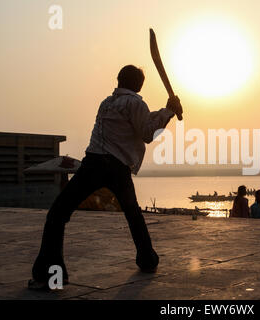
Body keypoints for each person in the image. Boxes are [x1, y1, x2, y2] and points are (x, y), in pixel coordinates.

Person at [28, 65, 183, 290]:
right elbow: (147, 132)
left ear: (118, 80)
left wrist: (167, 111)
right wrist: (168, 112)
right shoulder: (135, 103)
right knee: (133, 215)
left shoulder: (108, 103)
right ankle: (148, 260)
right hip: (117, 167)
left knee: (57, 215)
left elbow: (142, 124)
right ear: (139, 86)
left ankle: (51, 276)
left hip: (94, 164)